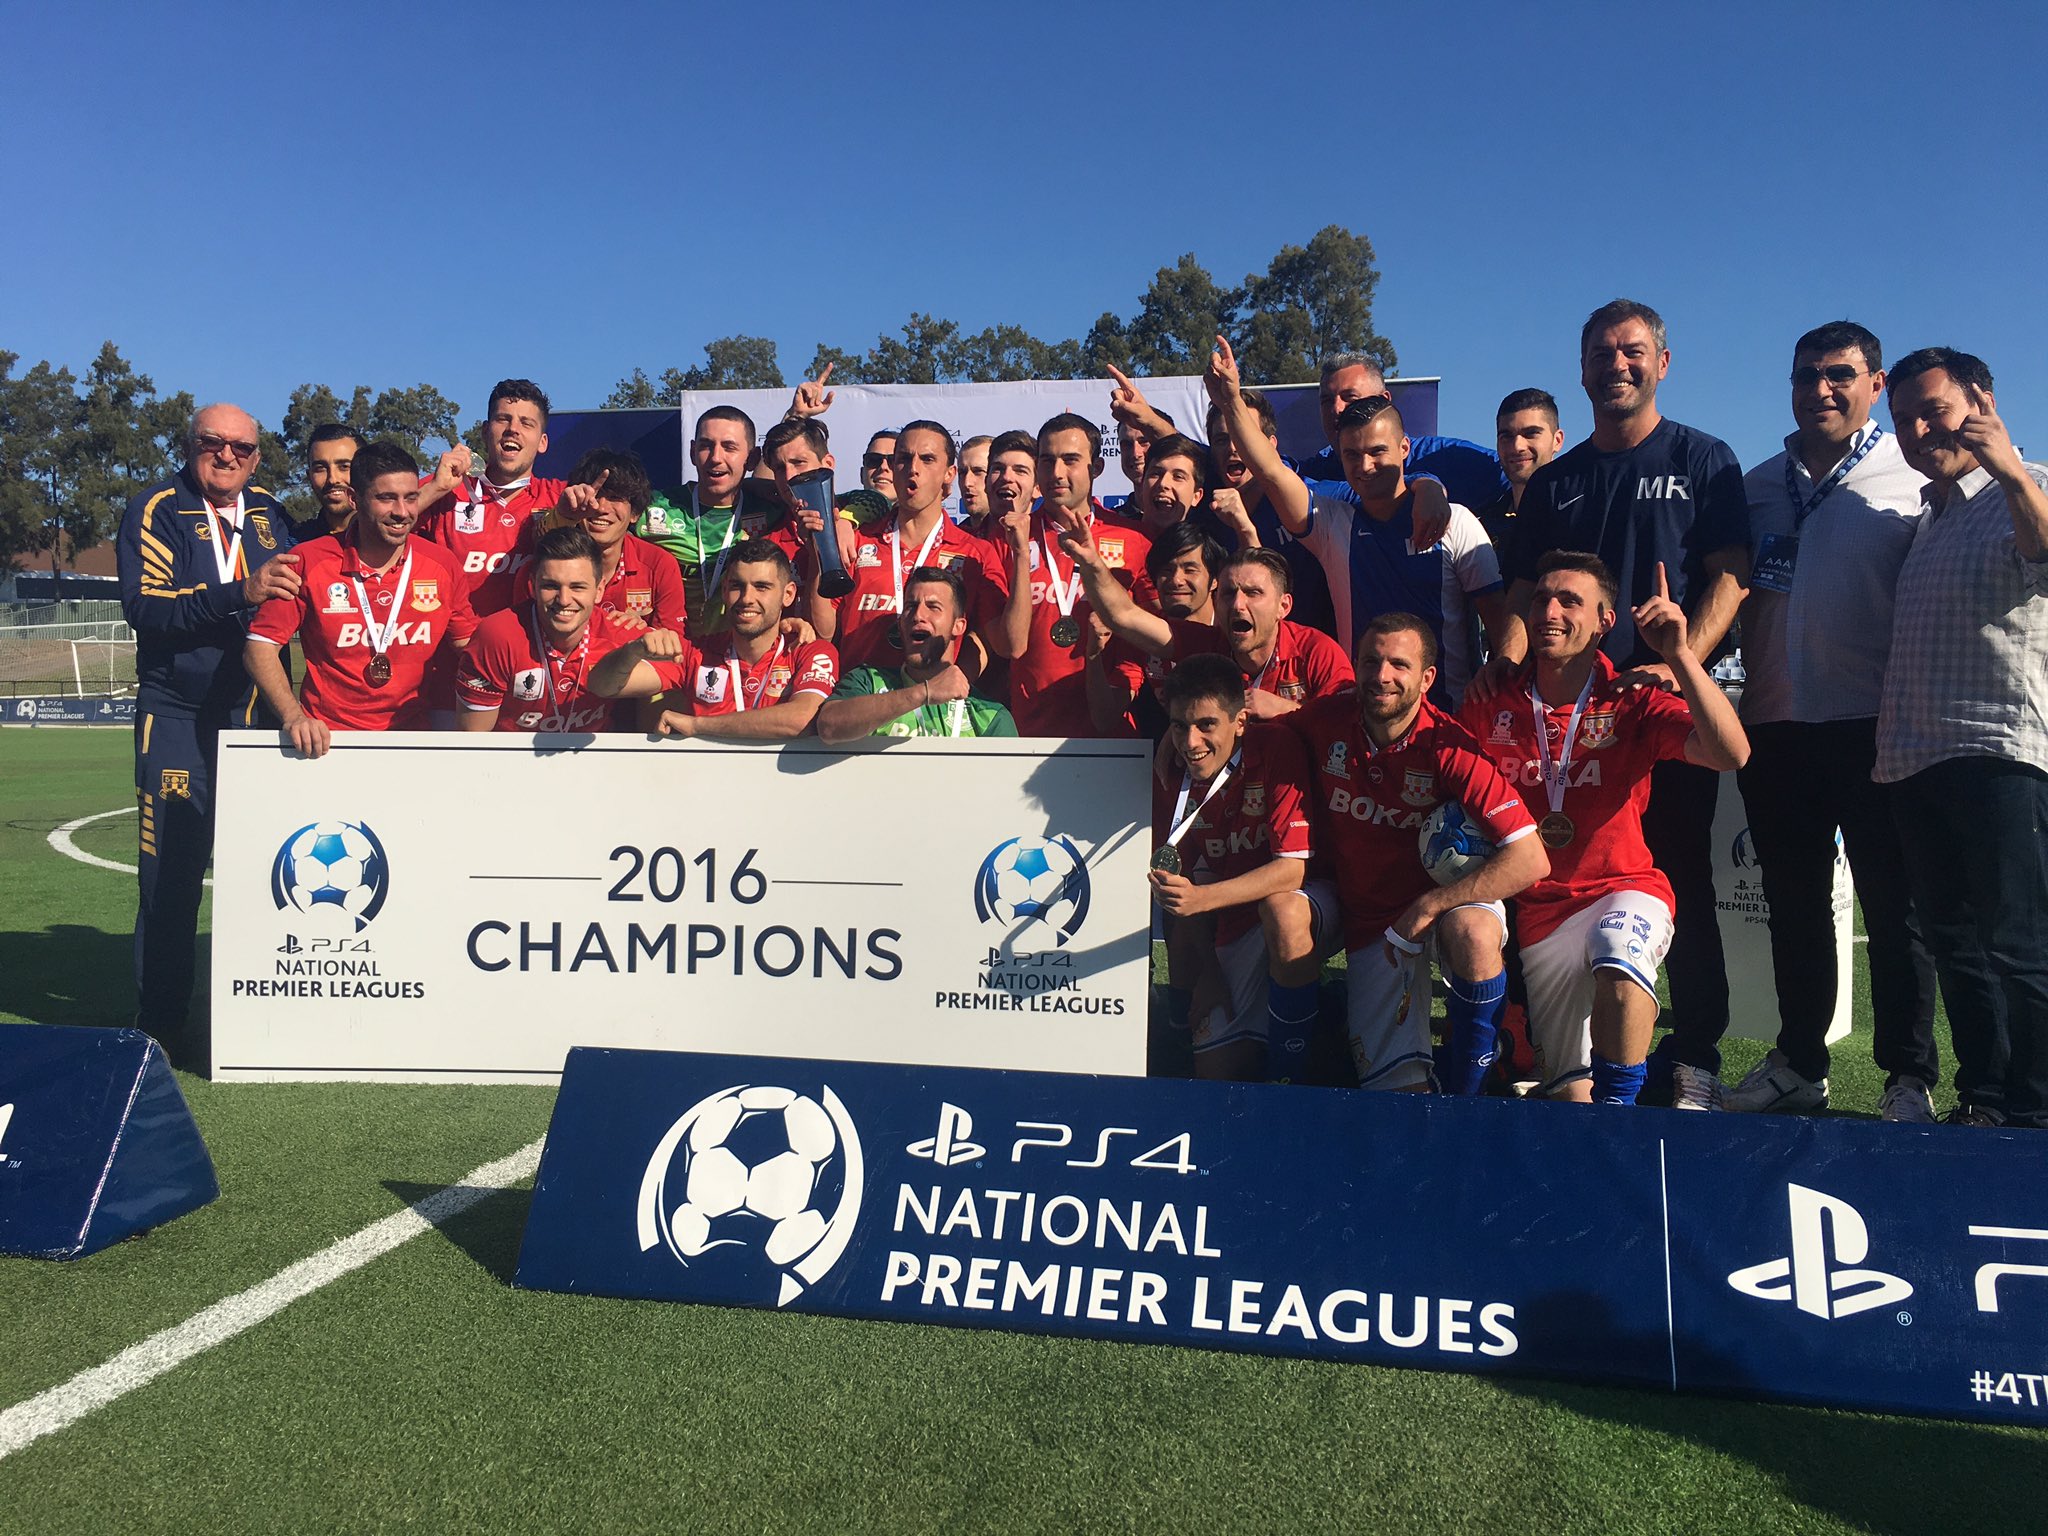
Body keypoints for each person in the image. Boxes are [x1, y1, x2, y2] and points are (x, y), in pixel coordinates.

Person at [1489, 298, 1751, 1110]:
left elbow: (1732, 575)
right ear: (1582, 371)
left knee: (1676, 883)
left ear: (1662, 363)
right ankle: (1534, 1043)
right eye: (1602, 354)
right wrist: (1505, 681)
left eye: (1632, 352)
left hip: (1652, 710)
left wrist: (1680, 667)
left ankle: (1693, 1055)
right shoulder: (1555, 483)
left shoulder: (1704, 457)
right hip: (1561, 717)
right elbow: (1524, 593)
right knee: (1531, 874)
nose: (1617, 366)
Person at [1720, 322, 1939, 1122]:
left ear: (1874, 384)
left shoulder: (1908, 475)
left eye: (1840, 374)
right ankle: (1800, 1062)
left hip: (1878, 724)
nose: (1821, 389)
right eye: (1806, 374)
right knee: (1794, 904)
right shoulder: (1757, 484)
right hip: (1774, 722)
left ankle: (1908, 1076)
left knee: (1892, 908)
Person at [1462, 553, 1750, 1103]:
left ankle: (1624, 1122)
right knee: (1570, 1097)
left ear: (1604, 621)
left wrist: (1682, 656)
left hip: (1624, 889)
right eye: (1541, 598)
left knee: (1619, 953)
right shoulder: (1490, 701)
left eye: (1570, 601)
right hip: (1541, 914)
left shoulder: (1631, 698)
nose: (1550, 610)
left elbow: (1731, 753)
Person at [1875, 347, 2048, 1130]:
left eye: (1933, 410)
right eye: (1902, 417)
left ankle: (2039, 1103)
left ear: (1979, 401)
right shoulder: (1926, 520)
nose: (1916, 429)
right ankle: (1985, 1094)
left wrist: (2010, 470)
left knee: (2022, 945)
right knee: (1955, 946)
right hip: (1915, 759)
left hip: (2000, 754)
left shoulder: (2030, 485)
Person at [1288, 615, 1547, 1090]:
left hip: (1439, 909)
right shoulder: (1326, 720)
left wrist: (1429, 903)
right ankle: (1292, 1071)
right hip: (1370, 923)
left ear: (1427, 678)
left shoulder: (1449, 746)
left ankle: (1473, 1083)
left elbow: (1531, 858)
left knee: (1473, 930)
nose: (1381, 676)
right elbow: (1261, 735)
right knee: (1397, 1094)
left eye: (1398, 665)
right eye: (1370, 661)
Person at [117, 403, 303, 1064]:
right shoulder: (157, 508)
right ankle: (162, 1024)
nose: (227, 457)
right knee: (172, 876)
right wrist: (239, 591)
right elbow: (146, 609)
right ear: (190, 444)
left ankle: (259, 1019)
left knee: (271, 874)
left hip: (256, 715)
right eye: (213, 443)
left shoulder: (272, 514)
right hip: (177, 718)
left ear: (258, 456)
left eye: (242, 449)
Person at [1209, 337, 1512, 707]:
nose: (1365, 466)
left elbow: (1501, 616)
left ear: (1404, 449)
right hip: (1359, 721)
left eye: (1377, 452)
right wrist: (1230, 401)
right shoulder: (1332, 524)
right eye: (1352, 455)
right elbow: (1271, 472)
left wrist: (1505, 669)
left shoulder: (1455, 521)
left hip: (1446, 718)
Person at [1148, 654, 1329, 1083]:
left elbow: (1291, 870)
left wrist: (1202, 898)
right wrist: (1208, 974)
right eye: (1178, 725)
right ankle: (1315, 1010)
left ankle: (1293, 1076)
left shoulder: (1276, 749)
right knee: (1214, 1075)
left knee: (1283, 912)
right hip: (1231, 925)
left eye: (1206, 725)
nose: (1190, 741)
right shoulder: (1172, 773)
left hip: (1306, 904)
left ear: (1241, 722)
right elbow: (1182, 891)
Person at [246, 441, 477, 756]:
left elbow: (469, 646)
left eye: (411, 498)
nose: (402, 512)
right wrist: (294, 717)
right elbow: (259, 647)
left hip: (410, 742)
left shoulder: (442, 564)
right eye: (386, 498)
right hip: (326, 743)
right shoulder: (308, 560)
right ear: (355, 499)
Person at [992, 413, 1154, 735]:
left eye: (1070, 460)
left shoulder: (1133, 539)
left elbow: (1151, 637)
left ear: (1096, 468)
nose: (1057, 473)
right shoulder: (1008, 538)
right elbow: (1004, 644)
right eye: (1047, 461)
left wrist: (1124, 690)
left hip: (1111, 734)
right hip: (1030, 732)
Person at [1070, 538, 1353, 720]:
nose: (1238, 605)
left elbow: (1351, 726)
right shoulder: (1206, 645)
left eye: (1253, 593)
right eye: (1229, 594)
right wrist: (1091, 563)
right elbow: (1124, 615)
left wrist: (1287, 711)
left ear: (1284, 606)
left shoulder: (1317, 651)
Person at [587, 539, 840, 741]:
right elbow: (602, 686)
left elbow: (802, 719)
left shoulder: (811, 651)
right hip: (710, 792)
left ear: (788, 595)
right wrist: (632, 651)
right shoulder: (696, 653)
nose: (747, 598)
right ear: (724, 591)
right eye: (737, 586)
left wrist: (698, 725)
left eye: (762, 587)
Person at [806, 420, 1008, 670]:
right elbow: (825, 632)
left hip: (932, 703)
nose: (913, 468)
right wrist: (819, 552)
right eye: (903, 458)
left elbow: (990, 640)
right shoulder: (857, 540)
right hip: (861, 701)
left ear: (949, 474)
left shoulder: (975, 553)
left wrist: (955, 686)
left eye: (927, 459)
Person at [455, 525, 634, 733]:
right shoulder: (497, 636)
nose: (564, 600)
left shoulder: (620, 633)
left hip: (590, 760)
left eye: (578, 587)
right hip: (510, 761)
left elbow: (681, 666)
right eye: (551, 586)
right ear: (532, 586)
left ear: (599, 589)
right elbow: (474, 741)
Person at [637, 407, 797, 637]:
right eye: (705, 446)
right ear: (692, 452)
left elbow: (834, 501)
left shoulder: (769, 509)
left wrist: (843, 521)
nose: (715, 458)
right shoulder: (654, 507)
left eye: (729, 447)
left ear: (751, 458)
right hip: (668, 651)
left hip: (732, 656)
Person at [415, 379, 565, 617]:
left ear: (543, 442)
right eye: (503, 419)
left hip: (523, 651)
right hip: (451, 650)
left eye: (526, 423)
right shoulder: (447, 487)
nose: (513, 428)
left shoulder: (560, 499)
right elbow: (368, 528)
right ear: (485, 431)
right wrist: (434, 489)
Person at [818, 567, 1017, 740]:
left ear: (958, 625)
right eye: (910, 606)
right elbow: (828, 726)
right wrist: (924, 692)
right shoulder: (868, 680)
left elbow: (1007, 781)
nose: (918, 615)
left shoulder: (989, 714)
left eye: (933, 607)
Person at [524, 449, 688, 630]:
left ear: (635, 513)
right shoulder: (545, 564)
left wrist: (647, 636)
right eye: (595, 496)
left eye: (615, 498)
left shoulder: (659, 565)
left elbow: (674, 643)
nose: (601, 508)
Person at [1094, 522, 1227, 738]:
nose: (1176, 580)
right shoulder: (1146, 636)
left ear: (1214, 580)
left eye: (1190, 570)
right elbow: (1105, 718)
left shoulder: (1233, 632)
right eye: (1166, 570)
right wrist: (1092, 656)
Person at [1474, 389, 1565, 559]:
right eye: (1506, 436)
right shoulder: (1482, 527)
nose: (1517, 446)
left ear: (1557, 441)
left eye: (1531, 434)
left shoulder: (1576, 513)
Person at [291, 423, 361, 543]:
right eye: (320, 468)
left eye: (344, 467)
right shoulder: (295, 544)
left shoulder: (393, 538)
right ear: (309, 476)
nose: (332, 479)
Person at [958, 434, 992, 527]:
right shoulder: (951, 539)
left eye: (978, 471)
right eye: (962, 472)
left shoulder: (1023, 537)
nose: (967, 482)